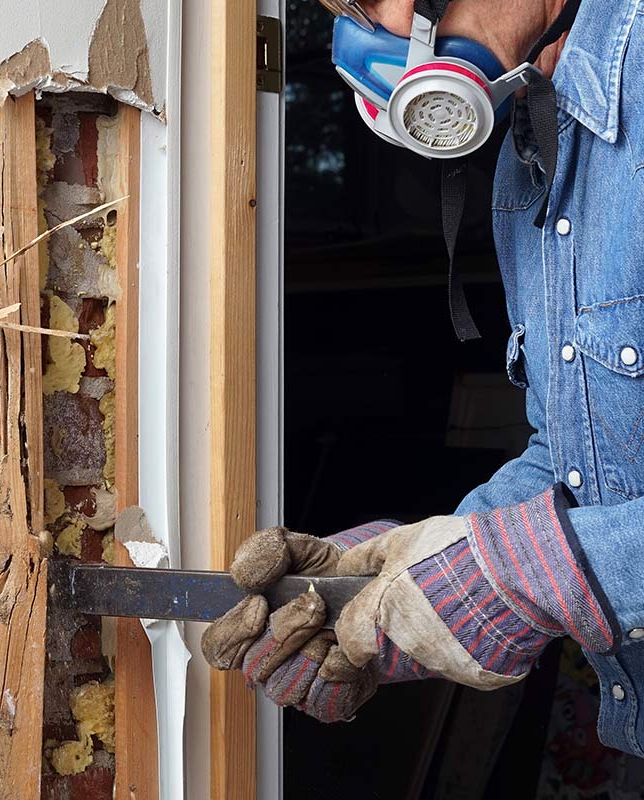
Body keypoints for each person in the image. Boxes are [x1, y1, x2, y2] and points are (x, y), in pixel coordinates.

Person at [202, 0, 644, 757]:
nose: (369, 40)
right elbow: (578, 456)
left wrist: (529, 580)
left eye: (371, 4)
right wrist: (397, 585)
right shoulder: (530, 156)